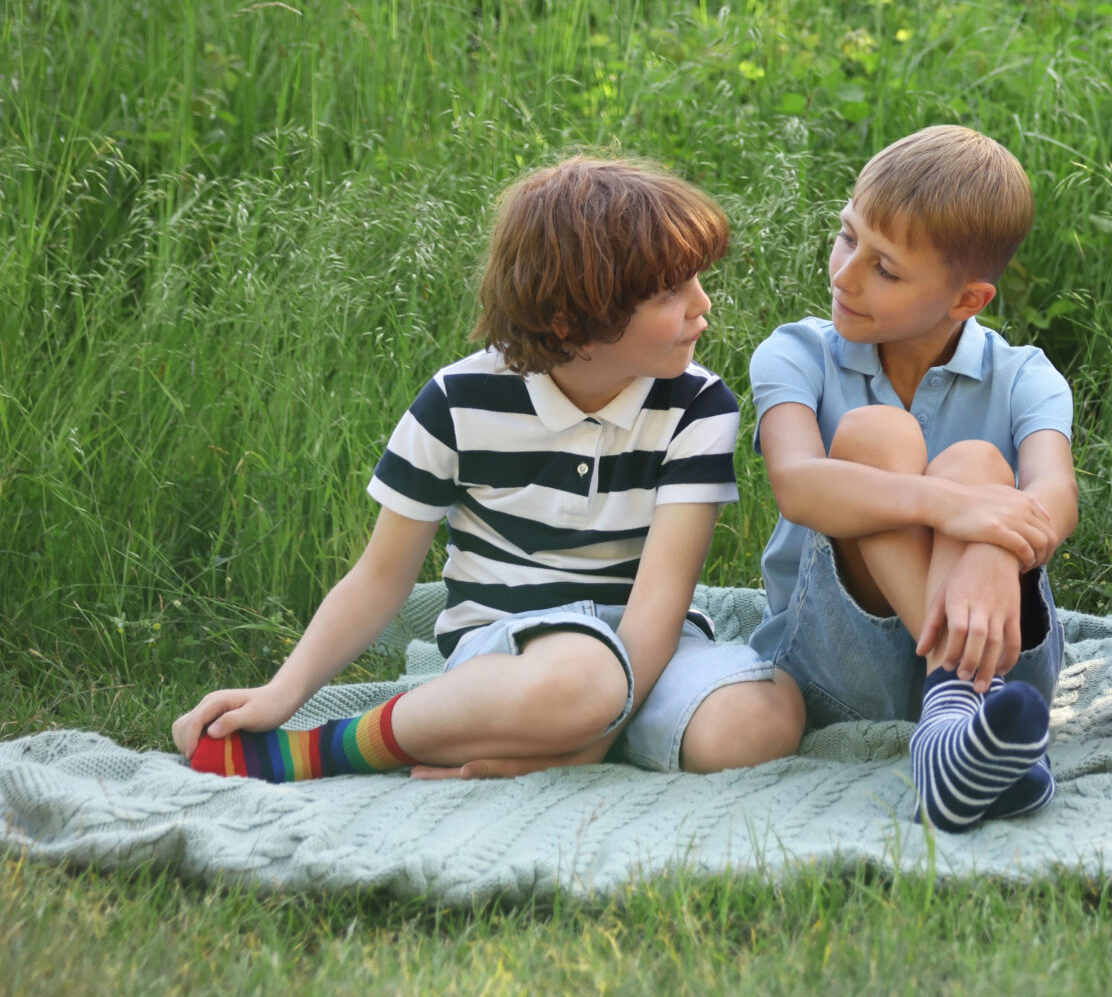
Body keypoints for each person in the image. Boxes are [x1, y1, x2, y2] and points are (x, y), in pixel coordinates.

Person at [172, 157, 801, 782]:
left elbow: (658, 609)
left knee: (760, 720)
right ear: (572, 323)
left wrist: (589, 734)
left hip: (648, 644)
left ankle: (552, 742)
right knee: (583, 677)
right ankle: (335, 747)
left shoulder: (698, 405)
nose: (702, 303)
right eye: (669, 292)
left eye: (694, 279)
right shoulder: (456, 400)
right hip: (509, 647)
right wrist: (281, 695)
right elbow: (380, 578)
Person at [747, 124, 1076, 832]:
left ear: (967, 301)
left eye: (885, 269)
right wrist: (961, 510)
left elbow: (1054, 498)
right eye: (846, 236)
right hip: (843, 670)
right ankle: (958, 714)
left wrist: (989, 544)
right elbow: (797, 484)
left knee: (982, 465)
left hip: (1007, 663)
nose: (843, 274)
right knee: (878, 437)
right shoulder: (796, 353)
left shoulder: (1025, 376)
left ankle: (951, 731)